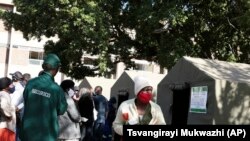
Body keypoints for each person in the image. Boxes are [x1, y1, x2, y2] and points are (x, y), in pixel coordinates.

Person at [20, 53, 68, 141]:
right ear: (56, 69)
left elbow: (26, 99)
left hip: (27, 133)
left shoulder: (30, 83)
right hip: (46, 135)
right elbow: (61, 110)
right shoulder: (57, 89)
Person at [9, 71, 25, 141]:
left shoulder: (20, 88)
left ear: (15, 78)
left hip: (14, 112)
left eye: (13, 77)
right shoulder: (14, 87)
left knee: (13, 131)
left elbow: (24, 101)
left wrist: (18, 108)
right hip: (13, 110)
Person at [0, 77, 16, 141]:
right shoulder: (4, 94)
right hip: (5, 126)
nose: (12, 86)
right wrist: (8, 115)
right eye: (10, 85)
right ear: (6, 87)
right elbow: (4, 105)